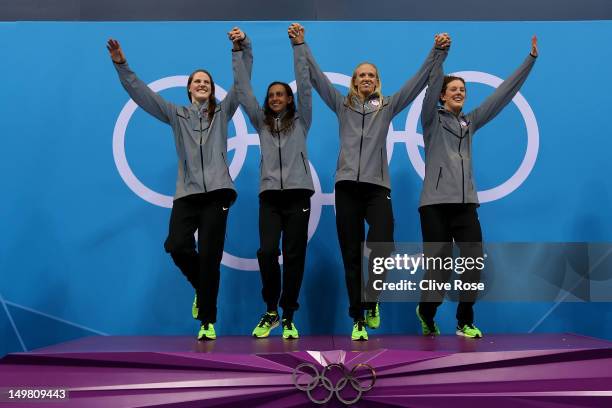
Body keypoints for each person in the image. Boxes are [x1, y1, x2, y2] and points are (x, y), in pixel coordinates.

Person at [298, 23, 450, 340]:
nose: (366, 79)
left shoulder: (388, 106)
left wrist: (438, 53)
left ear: (377, 82)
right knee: (351, 254)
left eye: (371, 75)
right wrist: (300, 45)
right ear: (354, 83)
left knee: (383, 244)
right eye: (361, 76)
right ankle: (358, 319)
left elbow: (418, 81)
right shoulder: (342, 105)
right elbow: (316, 76)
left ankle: (372, 298)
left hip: (377, 187)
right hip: (346, 188)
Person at [107, 27, 252, 341]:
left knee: (210, 255)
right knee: (176, 245)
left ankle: (207, 322)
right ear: (189, 89)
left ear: (212, 90)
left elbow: (241, 86)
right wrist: (121, 65)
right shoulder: (176, 114)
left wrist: (241, 49)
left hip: (218, 193)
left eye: (206, 82)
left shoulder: (222, 113)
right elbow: (142, 95)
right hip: (187, 192)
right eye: (196, 81)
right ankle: (202, 287)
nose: (201, 84)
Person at [416, 36, 539, 339]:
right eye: (453, 90)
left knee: (473, 264)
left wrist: (530, 61)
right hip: (434, 205)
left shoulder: (469, 123)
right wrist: (441, 54)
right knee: (440, 270)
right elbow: (431, 87)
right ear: (442, 96)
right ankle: (427, 312)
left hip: (466, 205)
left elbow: (501, 97)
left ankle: (464, 321)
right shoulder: (431, 120)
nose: (459, 93)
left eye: (463, 90)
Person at [232, 25, 313, 339]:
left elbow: (305, 85)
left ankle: (289, 314)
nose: (276, 98)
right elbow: (242, 88)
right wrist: (239, 50)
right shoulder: (259, 121)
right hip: (270, 196)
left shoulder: (302, 119)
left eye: (281, 94)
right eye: (272, 95)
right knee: (267, 252)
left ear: (290, 100)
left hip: (297, 196)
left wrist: (298, 46)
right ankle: (270, 310)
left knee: (294, 256)